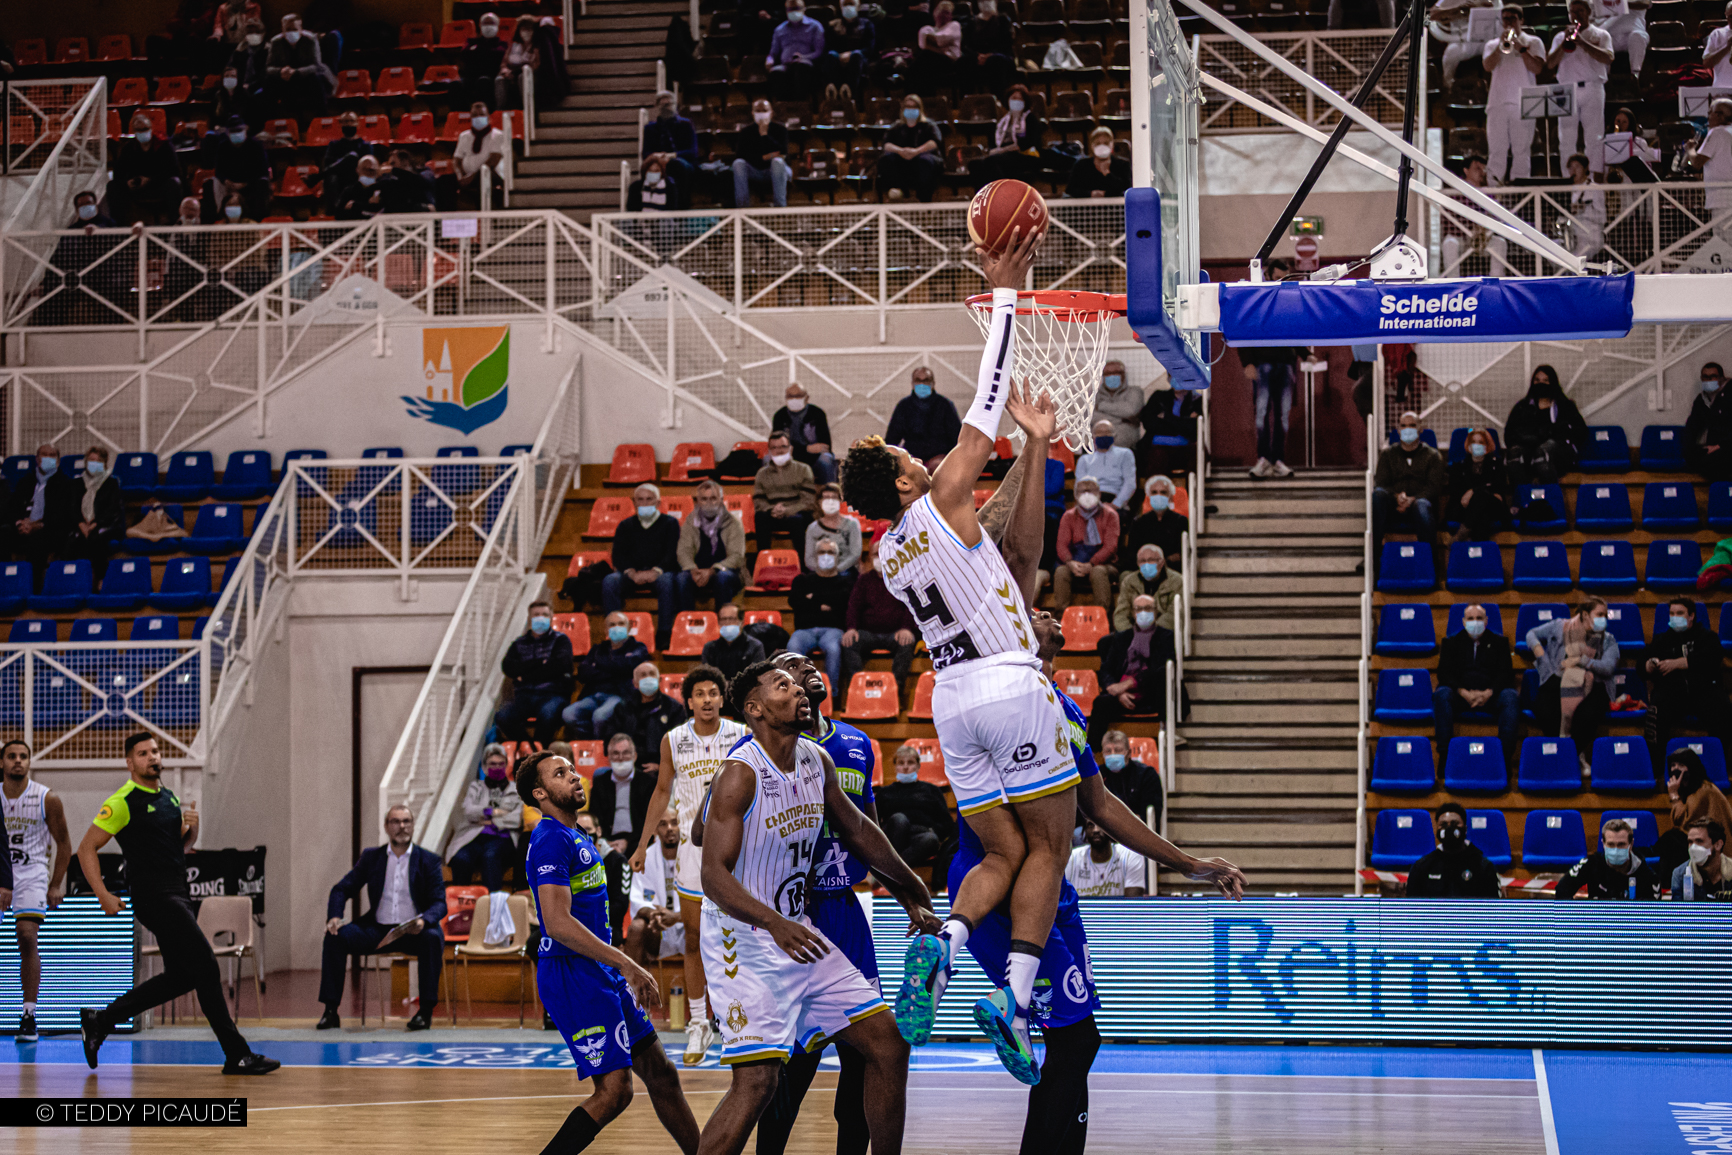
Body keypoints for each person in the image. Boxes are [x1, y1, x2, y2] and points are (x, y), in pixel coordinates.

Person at [842, 229, 1080, 1082]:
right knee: (1050, 845)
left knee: (1002, 852)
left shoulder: (888, 553)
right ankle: (1013, 998)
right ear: (906, 481)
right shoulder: (940, 494)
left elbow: (1007, 545)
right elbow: (985, 395)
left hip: (948, 699)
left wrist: (1036, 453)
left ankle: (942, 941)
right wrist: (1006, 289)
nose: (920, 450)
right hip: (1010, 683)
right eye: (909, 453)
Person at [693, 659, 937, 1155]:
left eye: (800, 684)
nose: (800, 690)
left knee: (889, 1045)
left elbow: (859, 830)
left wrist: (910, 886)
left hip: (798, 931)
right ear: (756, 710)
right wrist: (773, 922)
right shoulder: (741, 773)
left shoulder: (814, 758)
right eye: (784, 686)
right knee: (757, 1084)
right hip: (744, 939)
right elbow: (712, 876)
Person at [518, 751, 702, 1155]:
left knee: (662, 1073)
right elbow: (557, 923)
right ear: (540, 793)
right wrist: (627, 961)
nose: (573, 776)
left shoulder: (576, 833)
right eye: (560, 773)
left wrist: (617, 964)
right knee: (615, 1091)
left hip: (600, 970)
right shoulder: (549, 837)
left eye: (572, 769)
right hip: (572, 973)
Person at [77, 734, 279, 1073]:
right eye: (143, 754)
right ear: (130, 763)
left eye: (155, 751)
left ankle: (102, 1019)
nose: (152, 757)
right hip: (154, 897)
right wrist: (103, 894)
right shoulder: (123, 801)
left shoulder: (169, 797)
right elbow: (86, 849)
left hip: (178, 893)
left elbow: (177, 849)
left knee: (183, 977)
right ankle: (237, 1053)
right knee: (207, 966)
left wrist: (191, 834)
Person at [749, 650, 884, 1155]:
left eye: (808, 666)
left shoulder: (857, 743)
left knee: (866, 1055)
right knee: (795, 1063)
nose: (804, 675)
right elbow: (708, 829)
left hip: (845, 908)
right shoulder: (758, 749)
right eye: (787, 670)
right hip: (793, 915)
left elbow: (869, 824)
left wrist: (910, 893)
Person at [631, 666, 746, 1063]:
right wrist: (643, 843)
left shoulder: (739, 734)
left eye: (714, 692)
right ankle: (699, 1023)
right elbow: (662, 791)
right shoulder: (673, 740)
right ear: (689, 701)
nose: (708, 699)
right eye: (700, 693)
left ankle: (738, 1021)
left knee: (740, 939)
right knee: (694, 939)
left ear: (721, 697)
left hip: (737, 848)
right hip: (692, 852)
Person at [318, 804, 449, 1030]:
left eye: (406, 821)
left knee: (432, 937)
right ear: (387, 827)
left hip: (412, 930)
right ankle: (330, 1011)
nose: (402, 827)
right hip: (376, 929)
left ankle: (425, 1012)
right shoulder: (372, 857)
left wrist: (423, 920)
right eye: (395, 822)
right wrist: (334, 916)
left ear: (413, 825)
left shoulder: (428, 860)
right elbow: (341, 889)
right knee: (335, 937)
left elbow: (439, 903)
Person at [2, 740, 71, 1043]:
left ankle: (29, 1014)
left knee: (27, 936)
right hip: (2, 873)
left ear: (30, 762)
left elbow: (64, 844)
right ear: (2, 762)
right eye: (12, 756)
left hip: (31, 874)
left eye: (23, 757)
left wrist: (55, 883)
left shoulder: (47, 798)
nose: (18, 761)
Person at [1527, 598, 1617, 769]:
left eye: (1606, 615)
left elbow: (1607, 668)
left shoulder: (1608, 639)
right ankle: (1571, 754)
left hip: (1593, 684)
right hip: (1558, 679)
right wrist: (1542, 656)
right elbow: (1531, 634)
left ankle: (1569, 755)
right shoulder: (1560, 626)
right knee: (1544, 708)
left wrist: (1581, 660)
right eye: (1599, 614)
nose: (1603, 619)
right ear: (1585, 615)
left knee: (1588, 713)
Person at [1644, 600, 1730, 774]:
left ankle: (1722, 766)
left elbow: (1713, 658)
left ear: (1691, 616)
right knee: (1656, 707)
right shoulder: (1662, 640)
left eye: (1680, 613)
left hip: (1703, 692)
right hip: (1672, 694)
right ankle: (1658, 770)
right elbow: (1642, 665)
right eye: (1672, 614)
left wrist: (1681, 663)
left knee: (1722, 706)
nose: (1675, 617)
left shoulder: (1707, 637)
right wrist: (1649, 664)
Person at [1434, 603, 1520, 772]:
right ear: (1464, 621)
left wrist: (1488, 693)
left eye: (1479, 618)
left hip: (1491, 696)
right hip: (1461, 696)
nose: (1475, 622)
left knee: (1511, 697)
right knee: (1441, 694)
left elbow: (1506, 674)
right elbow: (1444, 673)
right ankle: (1445, 756)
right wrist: (1463, 692)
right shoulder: (1451, 642)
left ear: (1486, 621)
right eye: (1471, 618)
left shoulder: (1499, 643)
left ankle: (1504, 759)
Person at [1089, 593, 1175, 747]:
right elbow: (1105, 669)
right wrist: (1117, 690)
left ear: (1155, 611)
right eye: (1139, 609)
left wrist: (1128, 684)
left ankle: (1167, 732)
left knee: (1161, 675)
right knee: (1101, 702)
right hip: (1121, 694)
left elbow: (1157, 669)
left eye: (1148, 608)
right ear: (1133, 613)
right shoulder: (1121, 638)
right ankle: (1091, 755)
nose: (1143, 612)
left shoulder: (1166, 636)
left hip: (1150, 693)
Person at [604, 483, 680, 651]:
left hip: (660, 572)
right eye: (641, 500)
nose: (645, 503)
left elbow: (673, 554)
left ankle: (664, 634)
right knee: (610, 581)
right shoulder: (625, 526)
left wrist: (656, 571)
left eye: (649, 499)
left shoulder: (671, 523)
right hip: (632, 573)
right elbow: (618, 556)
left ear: (658, 503)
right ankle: (614, 632)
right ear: (634, 502)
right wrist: (631, 573)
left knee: (667, 582)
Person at [1243, 278, 1303, 478]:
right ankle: (1263, 459)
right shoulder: (1257, 305)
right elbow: (1245, 333)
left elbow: (1294, 334)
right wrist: (1248, 363)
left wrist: (1305, 354)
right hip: (1263, 364)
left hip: (1285, 363)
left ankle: (1277, 460)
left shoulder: (1288, 308)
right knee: (1261, 414)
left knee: (1283, 415)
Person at [493, 599, 574, 746]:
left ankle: (540, 749)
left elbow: (559, 666)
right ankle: (530, 748)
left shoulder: (561, 640)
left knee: (548, 715)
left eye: (545, 614)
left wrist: (524, 674)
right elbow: (508, 667)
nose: (540, 618)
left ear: (551, 617)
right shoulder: (519, 643)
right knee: (503, 716)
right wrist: (540, 663)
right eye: (536, 614)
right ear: (530, 618)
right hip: (524, 695)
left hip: (553, 694)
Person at [1372, 410, 1446, 568]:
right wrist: (1396, 497)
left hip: (1420, 508)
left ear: (1420, 429)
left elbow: (1434, 487)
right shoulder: (1387, 455)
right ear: (1398, 430)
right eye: (1403, 426)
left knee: (1422, 505)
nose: (1407, 429)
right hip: (1393, 507)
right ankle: (1374, 557)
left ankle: (1431, 565)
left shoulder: (1433, 456)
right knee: (1378, 495)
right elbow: (1381, 483)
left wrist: (1413, 499)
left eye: (1412, 425)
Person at [446, 744, 524, 893]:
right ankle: (460, 906)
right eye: (492, 764)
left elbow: (516, 819)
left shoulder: (515, 789)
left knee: (490, 855)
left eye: (501, 764)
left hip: (504, 838)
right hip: (475, 836)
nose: (497, 767)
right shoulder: (476, 787)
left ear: (507, 765)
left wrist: (487, 818)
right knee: (461, 858)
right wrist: (495, 811)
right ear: (484, 767)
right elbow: (469, 811)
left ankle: (494, 905)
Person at [1548, 0, 1614, 175]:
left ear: (1589, 12)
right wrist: (1565, 44)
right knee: (1566, 139)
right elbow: (1550, 64)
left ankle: (1593, 179)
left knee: (1594, 138)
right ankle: (1569, 180)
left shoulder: (1601, 34)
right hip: (1566, 90)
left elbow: (1608, 58)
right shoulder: (1560, 37)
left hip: (1592, 87)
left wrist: (1583, 43)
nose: (1576, 15)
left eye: (1580, 11)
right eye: (1572, 12)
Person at [1482, 5, 1545, 185]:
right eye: (1505, 19)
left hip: (1524, 104)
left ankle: (1520, 198)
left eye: (1512, 18)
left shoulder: (1533, 42)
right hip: (1497, 103)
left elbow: (1538, 68)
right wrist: (1500, 48)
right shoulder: (1492, 44)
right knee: (1496, 152)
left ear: (1521, 20)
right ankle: (1494, 197)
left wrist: (1521, 48)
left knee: (1522, 152)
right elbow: (1487, 66)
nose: (1508, 22)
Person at [842, 540, 918, 687]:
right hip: (868, 633)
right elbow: (853, 607)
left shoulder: (903, 579)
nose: (880, 557)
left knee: (908, 643)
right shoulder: (864, 581)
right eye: (876, 554)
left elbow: (911, 606)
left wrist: (906, 628)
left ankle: (895, 690)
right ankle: (858, 689)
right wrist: (851, 628)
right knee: (849, 643)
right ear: (870, 557)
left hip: (895, 634)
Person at [564, 610, 649, 738]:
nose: (616, 627)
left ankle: (601, 747)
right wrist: (616, 670)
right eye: (612, 624)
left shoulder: (637, 648)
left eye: (621, 624)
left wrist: (599, 666)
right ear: (606, 630)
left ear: (629, 628)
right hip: (593, 695)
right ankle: (590, 741)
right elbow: (583, 673)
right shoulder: (598, 649)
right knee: (568, 714)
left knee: (600, 716)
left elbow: (630, 666)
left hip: (620, 695)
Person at [3, 443, 79, 582]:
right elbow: (11, 509)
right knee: (4, 533)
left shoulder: (65, 484)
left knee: (38, 540)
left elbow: (63, 515)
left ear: (58, 460)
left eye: (52, 455)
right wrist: (19, 523)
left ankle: (33, 586)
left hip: (49, 530)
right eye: (44, 455)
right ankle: (6, 582)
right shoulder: (26, 481)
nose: (48, 458)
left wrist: (36, 525)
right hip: (23, 527)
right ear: (37, 459)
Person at [1504, 364, 1589, 486]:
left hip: (1558, 452)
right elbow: (1509, 434)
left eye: (1545, 381)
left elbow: (1581, 431)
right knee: (1514, 456)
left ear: (1553, 382)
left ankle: (1551, 499)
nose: (1540, 384)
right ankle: (1522, 499)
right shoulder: (1522, 407)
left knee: (1543, 452)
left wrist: (1558, 432)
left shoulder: (1565, 405)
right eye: (1537, 380)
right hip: (1529, 449)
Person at [788, 538, 855, 689]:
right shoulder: (802, 580)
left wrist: (813, 598)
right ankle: (797, 693)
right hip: (804, 630)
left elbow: (843, 603)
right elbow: (795, 602)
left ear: (837, 557)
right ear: (816, 556)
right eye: (822, 552)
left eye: (830, 552)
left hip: (833, 630)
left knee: (833, 649)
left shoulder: (846, 581)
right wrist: (826, 603)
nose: (826, 555)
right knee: (792, 646)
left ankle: (831, 695)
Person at [875, 745, 955, 869]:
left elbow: (947, 824)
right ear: (895, 767)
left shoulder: (932, 791)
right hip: (894, 838)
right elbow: (874, 824)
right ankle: (896, 870)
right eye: (901, 763)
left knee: (930, 839)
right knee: (899, 819)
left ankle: (891, 870)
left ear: (918, 766)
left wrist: (932, 830)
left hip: (920, 838)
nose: (906, 767)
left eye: (910, 762)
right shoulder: (884, 793)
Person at [624, 811, 685, 965]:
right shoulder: (646, 857)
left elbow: (705, 904)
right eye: (663, 824)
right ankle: (631, 987)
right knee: (637, 927)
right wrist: (654, 914)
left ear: (682, 826)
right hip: (658, 930)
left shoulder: (697, 855)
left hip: (688, 926)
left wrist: (677, 917)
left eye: (674, 822)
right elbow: (639, 901)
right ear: (655, 830)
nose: (669, 828)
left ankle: (705, 988)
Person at [604, 662, 687, 775]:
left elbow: (681, 744)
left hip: (660, 767)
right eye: (643, 675)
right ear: (635, 683)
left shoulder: (674, 708)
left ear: (659, 680)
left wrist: (661, 766)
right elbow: (611, 738)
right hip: (627, 765)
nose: (648, 678)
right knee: (600, 774)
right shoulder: (623, 708)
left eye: (652, 674)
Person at [1403, 802, 1502, 897]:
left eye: (1455, 824)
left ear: (1465, 829)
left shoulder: (1483, 867)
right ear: (1437, 830)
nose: (1449, 829)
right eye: (1443, 825)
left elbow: (1492, 907)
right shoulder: (1422, 867)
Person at [1050, 477, 1119, 613]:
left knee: (1098, 572)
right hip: (1075, 561)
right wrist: (1070, 562)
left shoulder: (1111, 515)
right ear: (1075, 495)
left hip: (1104, 564)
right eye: (1082, 491)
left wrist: (1092, 564)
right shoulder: (1068, 516)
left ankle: (1103, 616)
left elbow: (1110, 547)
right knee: (1061, 571)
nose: (1087, 495)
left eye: (1091, 491)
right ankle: (1061, 618)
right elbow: (1061, 546)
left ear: (1099, 494)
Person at [1664, 748, 1732, 882]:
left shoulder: (1703, 790)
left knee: (1672, 840)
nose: (1676, 769)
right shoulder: (1691, 791)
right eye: (1673, 765)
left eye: (1681, 765)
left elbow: (1683, 822)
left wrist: (1673, 795)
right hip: (1702, 841)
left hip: (1715, 846)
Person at [678, 480, 747, 611]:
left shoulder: (733, 522)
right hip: (697, 571)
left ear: (721, 500)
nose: (709, 503)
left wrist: (712, 570)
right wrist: (692, 569)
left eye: (713, 498)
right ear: (697, 501)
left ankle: (723, 622)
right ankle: (686, 620)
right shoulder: (690, 521)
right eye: (704, 499)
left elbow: (737, 557)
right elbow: (683, 551)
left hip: (727, 571)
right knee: (681, 579)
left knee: (722, 577)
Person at [1556, 817, 1662, 899]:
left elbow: (1653, 915)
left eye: (1621, 844)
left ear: (1631, 844)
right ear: (1603, 844)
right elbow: (1562, 889)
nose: (1616, 849)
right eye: (1611, 844)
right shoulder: (1592, 863)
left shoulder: (1648, 876)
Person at [110, 112, 185, 226]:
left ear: (151, 128)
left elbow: (174, 171)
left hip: (159, 185)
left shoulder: (164, 145)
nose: (142, 132)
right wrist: (127, 183)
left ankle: (175, 223)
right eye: (139, 130)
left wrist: (150, 180)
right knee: (113, 186)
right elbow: (118, 173)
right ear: (134, 132)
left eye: (145, 129)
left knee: (174, 183)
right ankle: (118, 226)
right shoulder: (128, 148)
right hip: (137, 189)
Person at [589, 733, 656, 853]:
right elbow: (596, 818)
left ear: (634, 756)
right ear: (608, 757)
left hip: (638, 841)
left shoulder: (648, 783)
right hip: (607, 841)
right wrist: (607, 842)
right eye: (615, 753)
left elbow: (650, 821)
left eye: (625, 753)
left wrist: (628, 842)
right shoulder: (600, 783)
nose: (620, 757)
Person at [59, 446, 126, 568]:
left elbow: (112, 510)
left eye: (98, 461)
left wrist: (95, 523)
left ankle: (99, 579)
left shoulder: (111, 483)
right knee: (71, 542)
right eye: (91, 460)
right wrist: (81, 524)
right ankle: (72, 577)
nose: (93, 463)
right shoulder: (76, 483)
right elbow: (72, 508)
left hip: (105, 525)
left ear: (104, 463)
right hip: (81, 525)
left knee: (95, 539)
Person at [883, 365, 961, 468]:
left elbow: (956, 437)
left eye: (926, 380)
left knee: (937, 466)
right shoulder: (904, 406)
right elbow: (892, 438)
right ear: (912, 383)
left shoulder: (945, 405)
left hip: (939, 456)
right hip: (912, 456)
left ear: (933, 383)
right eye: (918, 380)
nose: (922, 384)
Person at [754, 432, 818, 556]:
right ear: (769, 451)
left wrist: (787, 510)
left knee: (798, 519)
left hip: (797, 514)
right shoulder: (761, 474)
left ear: (790, 448)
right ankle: (762, 561)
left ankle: (803, 567)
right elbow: (758, 500)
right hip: (772, 514)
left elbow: (808, 501)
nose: (779, 451)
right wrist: (772, 509)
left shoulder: (804, 469)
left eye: (783, 447)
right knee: (760, 517)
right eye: (774, 448)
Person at [200, 115, 273, 223]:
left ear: (245, 130)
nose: (236, 133)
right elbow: (219, 171)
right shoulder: (222, 147)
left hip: (250, 184)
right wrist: (226, 181)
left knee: (263, 182)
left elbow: (262, 171)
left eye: (239, 130)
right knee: (210, 183)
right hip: (228, 185)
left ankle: (259, 220)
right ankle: (218, 217)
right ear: (228, 133)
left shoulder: (255, 146)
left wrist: (245, 183)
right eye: (233, 131)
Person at [970, 84, 1045, 185]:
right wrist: (995, 151)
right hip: (1004, 155)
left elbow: (1026, 144)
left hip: (1025, 155)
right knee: (975, 164)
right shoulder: (1003, 121)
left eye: (1020, 99)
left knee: (992, 161)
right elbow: (994, 143)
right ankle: (982, 197)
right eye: (1014, 98)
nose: (1016, 101)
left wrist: (1003, 149)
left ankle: (1002, 194)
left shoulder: (1030, 119)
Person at [1445, 427, 1510, 543]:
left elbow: (1499, 489)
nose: (1477, 445)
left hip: (1493, 507)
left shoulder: (1496, 465)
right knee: (1482, 515)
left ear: (1487, 445)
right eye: (1473, 442)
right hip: (1465, 507)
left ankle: (1462, 535)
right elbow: (1456, 491)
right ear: (1468, 445)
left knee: (1481, 498)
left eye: (1481, 442)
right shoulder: (1459, 466)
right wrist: (1484, 490)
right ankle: (1480, 555)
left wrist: (1473, 491)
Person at [440, 101, 507, 210]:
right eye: (474, 116)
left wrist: (473, 176)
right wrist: (459, 176)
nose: (478, 118)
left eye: (481, 115)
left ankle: (484, 216)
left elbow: (493, 160)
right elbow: (456, 160)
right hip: (467, 176)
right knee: (444, 180)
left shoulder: (497, 135)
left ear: (488, 117)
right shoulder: (464, 136)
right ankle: (445, 218)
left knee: (483, 174)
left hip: (490, 174)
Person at [265, 13, 334, 116]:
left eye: (294, 29)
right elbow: (269, 67)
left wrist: (297, 72)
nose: (291, 32)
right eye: (288, 29)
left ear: (301, 29)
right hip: (285, 78)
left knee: (316, 79)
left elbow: (316, 65)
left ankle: (322, 115)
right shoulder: (276, 42)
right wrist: (280, 71)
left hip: (305, 77)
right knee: (269, 81)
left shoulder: (310, 39)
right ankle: (271, 119)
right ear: (282, 29)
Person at [877, 95, 943, 203]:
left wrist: (916, 151)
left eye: (914, 107)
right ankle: (897, 192)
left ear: (920, 109)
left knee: (925, 162)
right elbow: (886, 144)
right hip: (902, 160)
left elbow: (935, 142)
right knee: (886, 159)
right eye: (908, 106)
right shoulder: (896, 127)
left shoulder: (929, 125)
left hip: (922, 159)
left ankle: (924, 199)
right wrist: (900, 151)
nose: (911, 109)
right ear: (903, 109)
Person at [642, 91, 700, 210]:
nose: (667, 108)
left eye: (669, 104)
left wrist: (670, 156)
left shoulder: (686, 124)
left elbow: (693, 152)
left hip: (683, 163)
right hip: (658, 163)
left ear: (675, 105)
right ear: (657, 107)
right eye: (663, 105)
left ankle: (681, 211)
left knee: (676, 165)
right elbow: (645, 153)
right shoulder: (650, 128)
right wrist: (659, 158)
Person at [1096, 729, 1165, 828]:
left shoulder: (1146, 774)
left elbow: (1149, 814)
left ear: (1128, 753)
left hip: (1135, 829)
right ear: (1102, 754)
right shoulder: (1097, 775)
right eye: (1108, 751)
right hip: (1102, 830)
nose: (1113, 754)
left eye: (1118, 750)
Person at [1121, 475, 1188, 572]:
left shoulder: (1181, 521)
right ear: (1149, 496)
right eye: (1154, 492)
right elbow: (1132, 553)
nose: (1159, 495)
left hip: (1172, 570)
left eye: (1163, 492)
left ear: (1170, 497)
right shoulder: (1139, 522)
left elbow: (1181, 554)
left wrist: (1164, 561)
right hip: (1143, 568)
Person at [1065, 820, 1148, 896]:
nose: (1096, 830)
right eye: (1091, 825)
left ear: (1110, 828)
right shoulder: (1071, 858)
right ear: (1084, 830)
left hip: (1118, 913)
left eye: (1101, 824)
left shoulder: (1130, 855)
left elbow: (1132, 906)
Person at [772, 382, 834, 483]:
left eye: (798, 396)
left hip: (814, 458)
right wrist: (807, 449)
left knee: (826, 459)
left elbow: (825, 446)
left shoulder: (818, 414)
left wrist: (794, 450)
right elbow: (777, 445)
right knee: (768, 459)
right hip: (789, 459)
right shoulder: (780, 416)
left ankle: (830, 492)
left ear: (807, 397)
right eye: (790, 396)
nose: (794, 399)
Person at [734, 97, 791, 207]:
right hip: (754, 170)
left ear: (771, 113)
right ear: (752, 113)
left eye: (764, 111)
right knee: (738, 164)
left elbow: (783, 154)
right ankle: (742, 209)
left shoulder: (780, 129)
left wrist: (764, 135)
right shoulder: (745, 132)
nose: (761, 114)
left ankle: (780, 208)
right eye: (758, 111)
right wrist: (768, 156)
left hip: (779, 169)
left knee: (777, 162)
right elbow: (741, 155)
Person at [767, 0, 825, 101]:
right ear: (786, 11)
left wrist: (803, 57)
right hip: (786, 64)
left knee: (800, 67)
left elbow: (819, 51)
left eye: (796, 8)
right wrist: (769, 60)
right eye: (790, 9)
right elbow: (773, 53)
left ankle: (800, 105)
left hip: (807, 63)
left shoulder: (815, 26)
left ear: (804, 9)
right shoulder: (779, 29)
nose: (793, 11)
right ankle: (783, 106)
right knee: (776, 72)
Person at [318, 111, 376, 211]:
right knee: (329, 178)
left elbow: (368, 166)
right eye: (346, 121)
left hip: (358, 179)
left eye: (351, 121)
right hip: (339, 180)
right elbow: (328, 166)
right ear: (340, 124)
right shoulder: (333, 146)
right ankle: (335, 212)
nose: (349, 124)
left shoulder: (365, 146)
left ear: (357, 123)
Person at [1688, 97, 1732, 228]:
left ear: (1719, 115)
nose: (1707, 117)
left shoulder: (1717, 132)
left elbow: (1696, 163)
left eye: (1710, 113)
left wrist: (1690, 149)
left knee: (1723, 241)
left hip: (1722, 198)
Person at [1075, 418, 1137, 511]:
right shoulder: (1084, 460)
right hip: (1091, 499)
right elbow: (1079, 486)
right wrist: (1089, 504)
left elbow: (1130, 483)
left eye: (1107, 433)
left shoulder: (1125, 454)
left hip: (1114, 498)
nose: (1103, 436)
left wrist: (1116, 504)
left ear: (1114, 436)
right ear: (1093, 436)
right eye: (1099, 433)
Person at [1685, 361, 1732, 480]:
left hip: (1727, 446)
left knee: (1713, 462)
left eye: (1713, 377)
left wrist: (1720, 445)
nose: (1709, 380)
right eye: (1705, 377)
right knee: (1693, 457)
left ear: (1721, 378)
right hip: (1712, 447)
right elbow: (1692, 426)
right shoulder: (1702, 400)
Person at [963, 0, 1017, 102]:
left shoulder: (1002, 19)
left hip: (1000, 54)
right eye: (983, 1)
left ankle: (998, 100)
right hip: (978, 57)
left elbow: (1007, 43)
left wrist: (990, 55)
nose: (986, 3)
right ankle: (967, 101)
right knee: (965, 61)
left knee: (995, 60)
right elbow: (966, 45)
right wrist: (977, 55)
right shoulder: (971, 22)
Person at [804, 484, 861, 575]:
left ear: (840, 501)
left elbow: (855, 554)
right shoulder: (812, 528)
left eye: (834, 498)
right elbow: (809, 558)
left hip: (844, 571)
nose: (830, 501)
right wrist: (822, 572)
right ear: (819, 502)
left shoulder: (852, 525)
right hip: (819, 573)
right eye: (826, 498)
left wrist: (836, 570)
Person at [912, 0, 964, 97]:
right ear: (935, 14)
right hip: (931, 62)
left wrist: (932, 42)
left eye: (947, 13)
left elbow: (939, 41)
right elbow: (922, 44)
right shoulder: (928, 28)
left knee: (925, 57)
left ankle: (925, 99)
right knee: (920, 67)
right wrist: (934, 43)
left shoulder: (954, 25)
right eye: (942, 12)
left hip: (950, 62)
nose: (944, 15)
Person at [703, 603, 767, 681]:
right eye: (724, 619)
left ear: (741, 621)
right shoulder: (709, 648)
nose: (727, 623)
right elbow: (707, 679)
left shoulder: (755, 646)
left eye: (731, 619)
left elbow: (758, 678)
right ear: (719, 623)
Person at [1672, 819, 1732, 901]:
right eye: (1690, 842)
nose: (1693, 848)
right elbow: (1679, 912)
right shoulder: (1680, 874)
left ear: (1718, 845)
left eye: (1699, 841)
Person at [824, 2, 876, 95]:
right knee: (831, 55)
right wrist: (840, 55)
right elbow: (828, 46)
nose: (848, 7)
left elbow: (869, 48)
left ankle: (849, 93)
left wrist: (850, 54)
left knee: (856, 55)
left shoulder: (867, 24)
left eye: (851, 4)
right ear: (840, 6)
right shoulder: (832, 25)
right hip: (837, 57)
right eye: (845, 4)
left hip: (859, 58)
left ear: (858, 6)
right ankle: (833, 92)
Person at [1093, 358, 1144, 450]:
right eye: (1108, 373)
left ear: (1123, 375)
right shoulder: (1094, 395)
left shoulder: (1135, 392)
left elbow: (1130, 411)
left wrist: (1101, 406)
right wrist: (1123, 419)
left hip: (1129, 449)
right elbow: (1091, 418)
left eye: (1116, 372)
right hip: (1098, 450)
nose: (1112, 376)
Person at [1066, 127, 1133, 198]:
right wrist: (1091, 194)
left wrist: (1107, 174)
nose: (1102, 147)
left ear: (1112, 145)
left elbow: (1126, 190)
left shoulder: (1123, 165)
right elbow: (1071, 190)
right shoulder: (1081, 165)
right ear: (1092, 145)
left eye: (1106, 143)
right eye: (1098, 143)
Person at [1591, 0, 1650, 77]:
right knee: (1599, 39)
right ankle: (1604, 78)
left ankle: (1635, 75)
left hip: (1632, 32)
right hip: (1611, 34)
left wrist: (1620, 4)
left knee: (1637, 36)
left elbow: (1645, 4)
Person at [461, 12, 508, 107]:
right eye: (485, 23)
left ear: (497, 26)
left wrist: (478, 51)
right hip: (471, 76)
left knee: (483, 82)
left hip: (491, 77)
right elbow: (464, 55)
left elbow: (497, 56)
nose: (488, 26)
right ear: (480, 26)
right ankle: (459, 114)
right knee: (455, 84)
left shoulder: (502, 45)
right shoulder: (471, 42)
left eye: (491, 23)